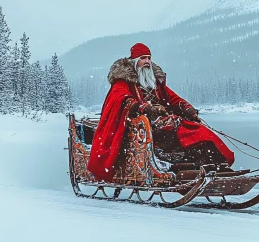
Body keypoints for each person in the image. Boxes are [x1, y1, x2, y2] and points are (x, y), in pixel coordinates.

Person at [87, 43, 234, 182]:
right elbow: (121, 98)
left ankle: (212, 161)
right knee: (179, 126)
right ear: (134, 61)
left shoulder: (153, 82)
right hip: (138, 124)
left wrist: (187, 108)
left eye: (149, 58)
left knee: (191, 126)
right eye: (143, 58)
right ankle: (201, 161)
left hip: (162, 122)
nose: (147, 61)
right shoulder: (123, 81)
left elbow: (172, 98)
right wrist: (145, 108)